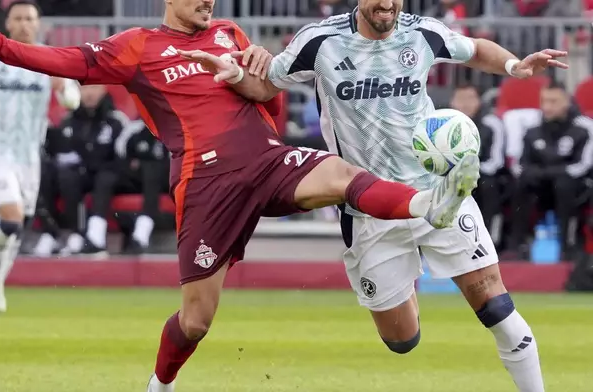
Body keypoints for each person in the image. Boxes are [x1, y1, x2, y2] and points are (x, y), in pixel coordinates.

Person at [0, 3, 480, 391]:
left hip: (265, 162)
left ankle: (426, 204)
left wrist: (272, 118)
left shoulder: (229, 33)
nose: (208, 2)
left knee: (342, 173)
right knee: (196, 321)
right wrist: (0, 45)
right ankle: (159, 385)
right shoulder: (139, 46)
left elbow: (268, 90)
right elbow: (70, 60)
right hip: (208, 185)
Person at [182, 1, 569, 391]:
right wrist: (235, 76)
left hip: (437, 191)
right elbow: (266, 84)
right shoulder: (319, 42)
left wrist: (513, 66)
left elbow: (475, 49)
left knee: (495, 305)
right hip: (368, 207)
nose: (387, 4)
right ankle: (407, 279)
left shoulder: (422, 32)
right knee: (401, 339)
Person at [0, 0, 80, 313]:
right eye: (18, 18)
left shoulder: (50, 58)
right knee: (10, 218)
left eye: (30, 18)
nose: (24, 23)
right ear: (8, 23)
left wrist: (63, 89)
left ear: (39, 25)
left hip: (29, 157)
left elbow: (74, 102)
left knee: (15, 228)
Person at [38, 85, 127, 256]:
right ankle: (55, 232)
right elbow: (60, 150)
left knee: (105, 177)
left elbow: (121, 155)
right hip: (78, 174)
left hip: (109, 175)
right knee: (52, 173)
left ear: (103, 90)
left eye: (94, 88)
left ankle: (93, 234)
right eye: (85, 89)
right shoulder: (69, 120)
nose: (89, 94)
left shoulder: (116, 120)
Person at [509, 81, 593, 259]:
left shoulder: (584, 127)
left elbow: (582, 166)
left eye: (553, 101)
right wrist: (541, 174)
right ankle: (517, 245)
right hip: (542, 186)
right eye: (544, 101)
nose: (547, 106)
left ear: (567, 102)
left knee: (564, 184)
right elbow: (520, 165)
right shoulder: (532, 129)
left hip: (574, 187)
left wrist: (547, 172)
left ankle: (568, 246)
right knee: (521, 184)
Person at [450, 83, 505, 236]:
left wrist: (469, 169)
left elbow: (496, 161)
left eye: (470, 98)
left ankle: (488, 236)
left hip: (482, 173)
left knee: (489, 185)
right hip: (449, 173)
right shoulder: (443, 123)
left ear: (479, 101)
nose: (465, 104)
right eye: (460, 99)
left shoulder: (491, 123)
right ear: (452, 102)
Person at [114, 119, 172, 254]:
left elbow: (176, 160)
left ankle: (143, 226)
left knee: (153, 168)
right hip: (136, 180)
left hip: (166, 181)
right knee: (107, 176)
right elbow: (120, 156)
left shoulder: (173, 128)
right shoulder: (133, 128)